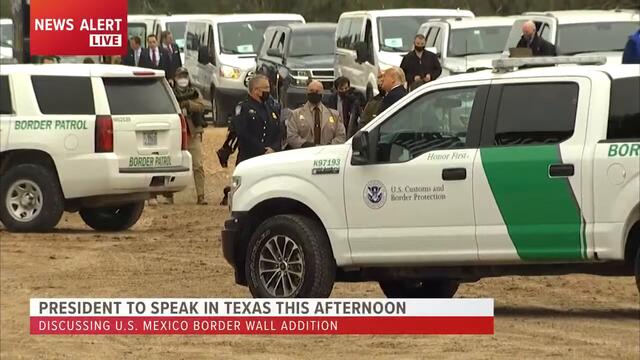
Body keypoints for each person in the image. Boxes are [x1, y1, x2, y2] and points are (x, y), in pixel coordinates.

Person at [167, 67, 209, 205]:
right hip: (175, 132)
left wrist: (189, 104)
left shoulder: (194, 92)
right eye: (180, 76)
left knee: (197, 165)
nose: (183, 79)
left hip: (193, 133)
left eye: (185, 76)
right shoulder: (170, 92)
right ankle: (168, 196)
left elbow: (202, 106)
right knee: (172, 165)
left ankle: (201, 195)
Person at [233, 74, 283, 164]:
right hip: (250, 158)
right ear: (256, 90)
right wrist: (262, 150)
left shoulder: (271, 107)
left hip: (271, 157)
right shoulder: (243, 108)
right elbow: (242, 133)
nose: (269, 91)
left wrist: (274, 148)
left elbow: (279, 131)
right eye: (266, 88)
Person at [287, 80, 346, 149]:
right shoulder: (295, 114)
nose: (314, 93)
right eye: (311, 91)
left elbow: (341, 136)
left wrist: (326, 148)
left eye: (317, 91)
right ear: (307, 93)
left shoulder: (334, 115)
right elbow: (291, 137)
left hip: (328, 155)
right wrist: (308, 146)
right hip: (304, 154)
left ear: (322, 94)